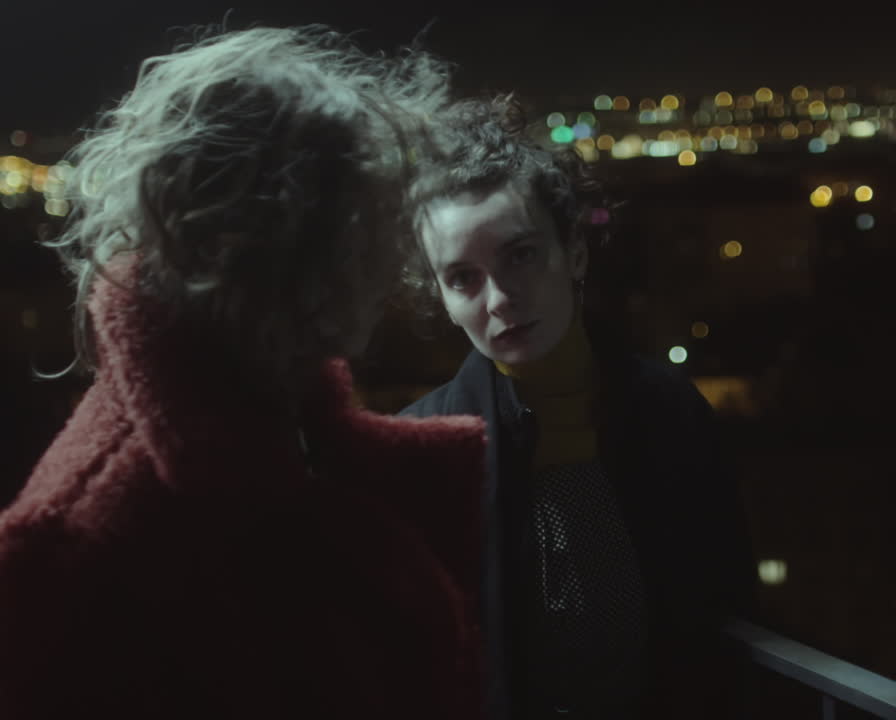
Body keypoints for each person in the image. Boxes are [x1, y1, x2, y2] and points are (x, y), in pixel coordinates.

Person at [0, 27, 486, 719]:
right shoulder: (78, 552)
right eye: (369, 220)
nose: (394, 254)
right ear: (274, 243)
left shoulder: (270, 426)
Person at [401, 95, 756, 720]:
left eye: (520, 254)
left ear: (576, 251)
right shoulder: (419, 453)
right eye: (462, 278)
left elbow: (725, 616)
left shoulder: (670, 413)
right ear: (442, 296)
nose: (499, 299)